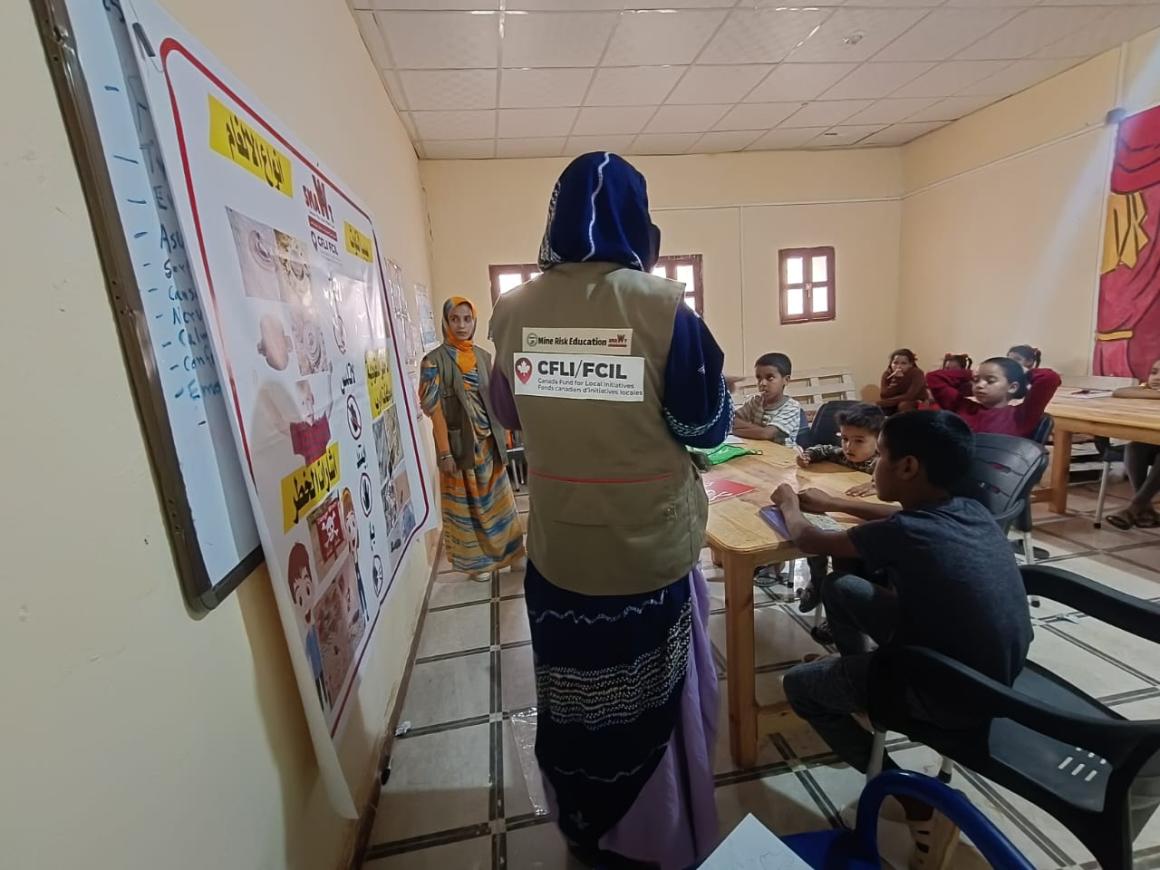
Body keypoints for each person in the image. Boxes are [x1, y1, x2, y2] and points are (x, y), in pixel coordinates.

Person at [488, 152, 730, 870]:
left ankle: (584, 818)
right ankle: (651, 832)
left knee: (573, 694)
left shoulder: (514, 310)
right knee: (652, 700)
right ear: (639, 220)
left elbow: (510, 415)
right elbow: (704, 428)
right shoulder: (662, 309)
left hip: (560, 550)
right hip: (645, 552)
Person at [772, 411, 1033, 869]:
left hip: (944, 687)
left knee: (800, 687)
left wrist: (789, 502)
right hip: (994, 670)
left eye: (882, 457)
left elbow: (808, 538)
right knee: (843, 586)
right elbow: (893, 517)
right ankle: (859, 686)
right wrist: (837, 500)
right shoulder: (970, 509)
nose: (875, 468)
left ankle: (917, 805)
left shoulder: (907, 533)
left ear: (908, 467)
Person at [419, 297, 523, 579]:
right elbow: (434, 410)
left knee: (500, 502)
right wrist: (444, 452)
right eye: (455, 319)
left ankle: (513, 553)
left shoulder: (483, 356)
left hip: (489, 444)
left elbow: (495, 399)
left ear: (475, 321)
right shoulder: (433, 362)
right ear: (445, 322)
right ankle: (479, 565)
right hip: (459, 447)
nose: (462, 325)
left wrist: (507, 432)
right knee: (469, 508)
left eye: (467, 319)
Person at [795, 403, 885, 615]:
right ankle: (817, 581)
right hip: (836, 515)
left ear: (880, 442)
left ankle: (842, 611)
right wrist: (808, 456)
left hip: (860, 525)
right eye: (845, 439)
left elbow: (890, 484)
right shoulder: (842, 455)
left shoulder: (879, 465)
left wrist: (874, 484)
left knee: (842, 557)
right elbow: (824, 449)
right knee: (814, 530)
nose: (849, 447)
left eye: (859, 441)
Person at [925, 356, 1061, 438]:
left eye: (990, 381)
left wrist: (1023, 372)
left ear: (1012, 387)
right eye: (976, 380)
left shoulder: (1021, 416)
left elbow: (1050, 378)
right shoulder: (962, 407)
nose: (979, 385)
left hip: (994, 479)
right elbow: (934, 378)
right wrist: (971, 373)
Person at [1107, 358, 1160, 529]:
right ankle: (1144, 507)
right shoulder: (1146, 391)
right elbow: (1119, 392)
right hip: (1154, 441)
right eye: (1154, 372)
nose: (1157, 377)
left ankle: (1133, 509)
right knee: (1134, 446)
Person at [732, 353, 802, 444]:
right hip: (759, 451)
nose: (762, 383)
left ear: (786, 380)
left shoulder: (792, 407)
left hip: (782, 455)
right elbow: (731, 420)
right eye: (759, 378)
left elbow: (767, 434)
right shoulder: (754, 402)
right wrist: (758, 431)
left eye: (770, 378)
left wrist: (735, 430)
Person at [878, 349, 928, 415]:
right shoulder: (887, 374)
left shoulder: (917, 373)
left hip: (916, 401)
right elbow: (884, 394)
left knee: (903, 405)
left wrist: (885, 402)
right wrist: (896, 379)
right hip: (894, 401)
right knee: (876, 408)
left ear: (910, 364)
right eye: (895, 363)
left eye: (903, 363)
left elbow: (910, 396)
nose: (898, 366)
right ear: (891, 363)